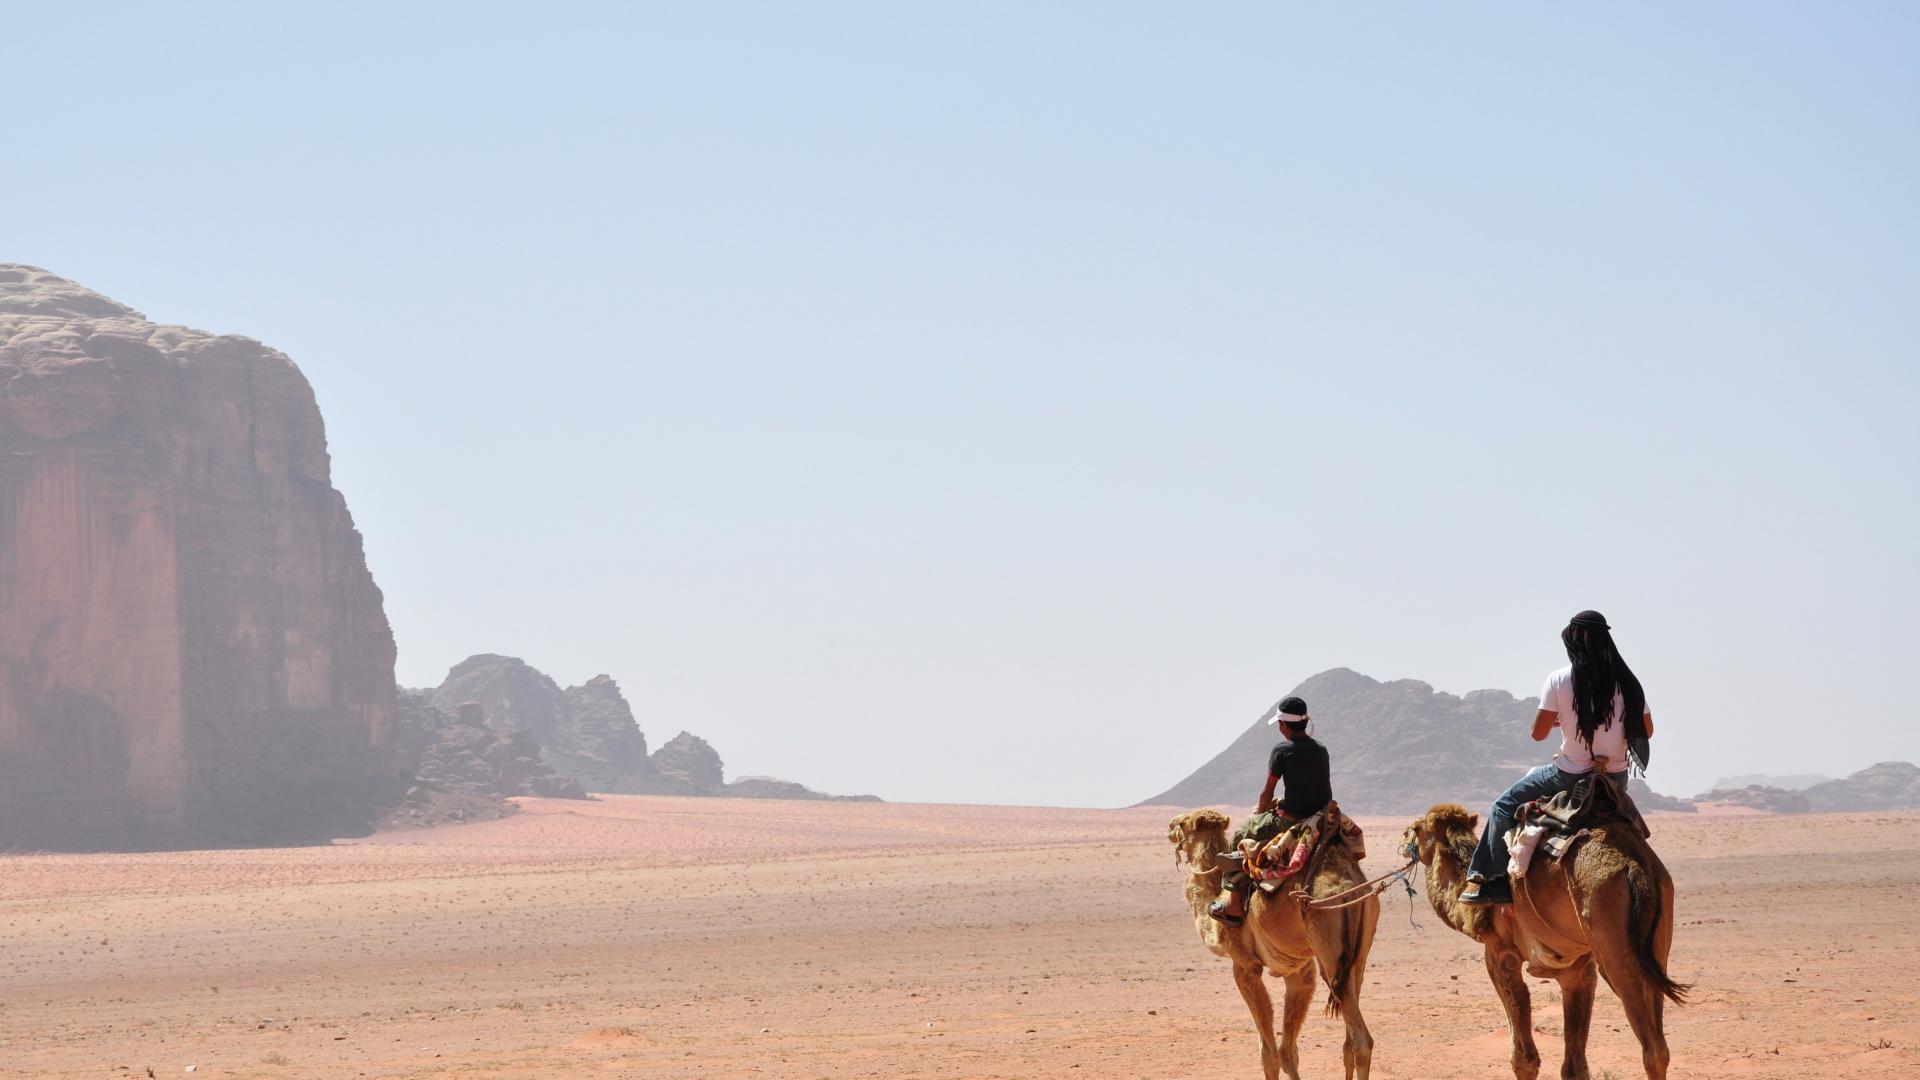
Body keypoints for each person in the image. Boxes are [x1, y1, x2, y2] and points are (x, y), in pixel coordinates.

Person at [1461, 610, 1655, 905]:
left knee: (1501, 806)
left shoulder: (1560, 679)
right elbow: (1647, 731)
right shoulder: (1628, 682)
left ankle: (1491, 880)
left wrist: (1561, 720)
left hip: (1568, 775)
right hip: (1614, 778)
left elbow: (1537, 733)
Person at [1208, 696, 1333, 926]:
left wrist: (1259, 815)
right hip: (1321, 818)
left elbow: (1267, 792)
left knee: (1241, 835)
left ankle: (1233, 904)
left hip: (1290, 821)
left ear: (1284, 725)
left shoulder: (1282, 750)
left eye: (1279, 724)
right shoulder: (1321, 750)